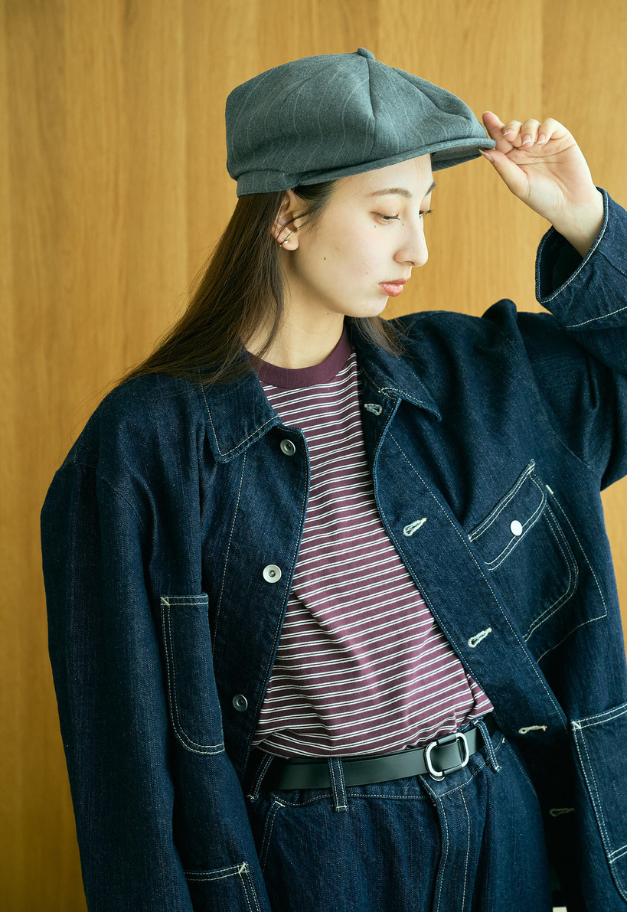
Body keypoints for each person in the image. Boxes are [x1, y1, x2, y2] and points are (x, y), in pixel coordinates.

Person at [39, 47, 627, 912]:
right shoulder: (144, 445)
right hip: (323, 854)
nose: (417, 247)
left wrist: (585, 221)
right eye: (387, 213)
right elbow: (121, 763)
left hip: (504, 822)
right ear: (287, 215)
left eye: (422, 210)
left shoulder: (476, 375)